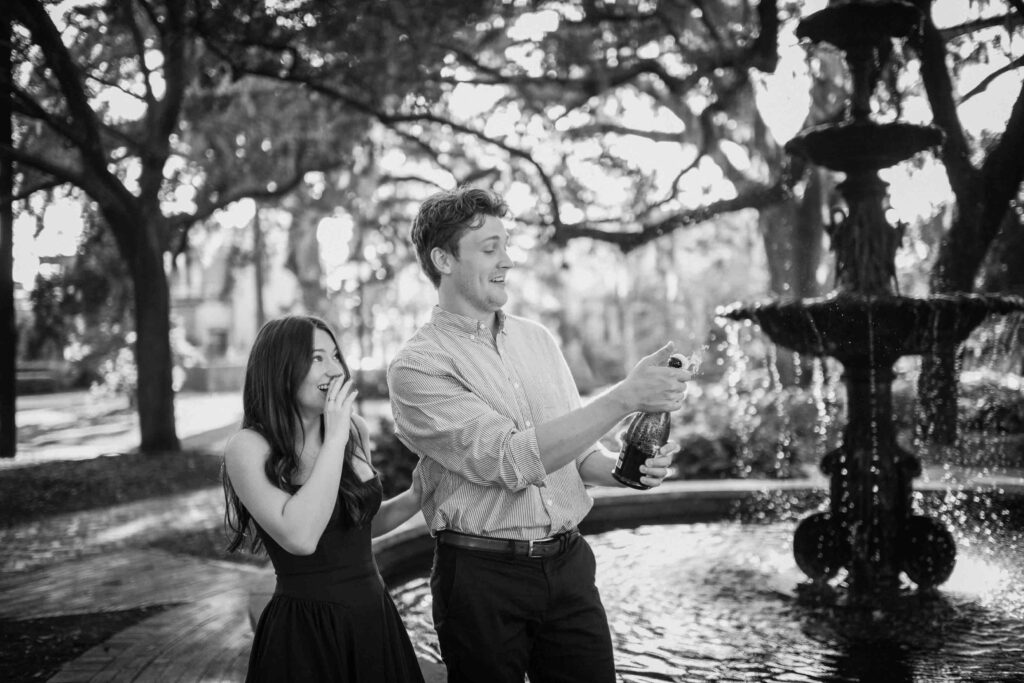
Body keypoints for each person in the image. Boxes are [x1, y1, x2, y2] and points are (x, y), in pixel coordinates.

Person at [387, 186, 692, 683]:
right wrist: (625, 396)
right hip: (481, 581)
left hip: (569, 566)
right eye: (490, 248)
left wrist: (624, 471)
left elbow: (577, 453)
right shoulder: (417, 368)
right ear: (443, 260)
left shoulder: (537, 340)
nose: (507, 260)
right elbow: (508, 460)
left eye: (507, 246)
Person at [223, 315, 426, 683]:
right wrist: (333, 440)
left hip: (373, 619)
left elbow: (357, 525)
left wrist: (417, 494)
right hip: (306, 634)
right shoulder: (249, 447)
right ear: (280, 368)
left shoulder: (354, 430)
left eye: (335, 356)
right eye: (317, 358)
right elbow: (301, 538)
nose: (335, 370)